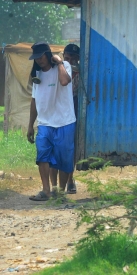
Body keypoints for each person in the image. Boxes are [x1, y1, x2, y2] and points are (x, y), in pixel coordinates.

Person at [27, 42, 76, 201]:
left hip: (64, 121)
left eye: (41, 56)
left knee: (64, 159)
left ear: (48, 55)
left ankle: (60, 192)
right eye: (36, 58)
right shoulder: (37, 75)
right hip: (45, 123)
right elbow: (34, 101)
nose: (39, 60)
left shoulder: (64, 66)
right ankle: (46, 191)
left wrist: (60, 62)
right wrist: (30, 126)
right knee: (42, 156)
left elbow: (64, 81)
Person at [49, 43, 80, 194]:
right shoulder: (56, 68)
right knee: (53, 147)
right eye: (68, 56)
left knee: (69, 147)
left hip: (73, 109)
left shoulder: (81, 72)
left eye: (74, 57)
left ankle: (70, 179)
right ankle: (54, 186)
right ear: (63, 55)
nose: (71, 59)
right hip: (57, 111)